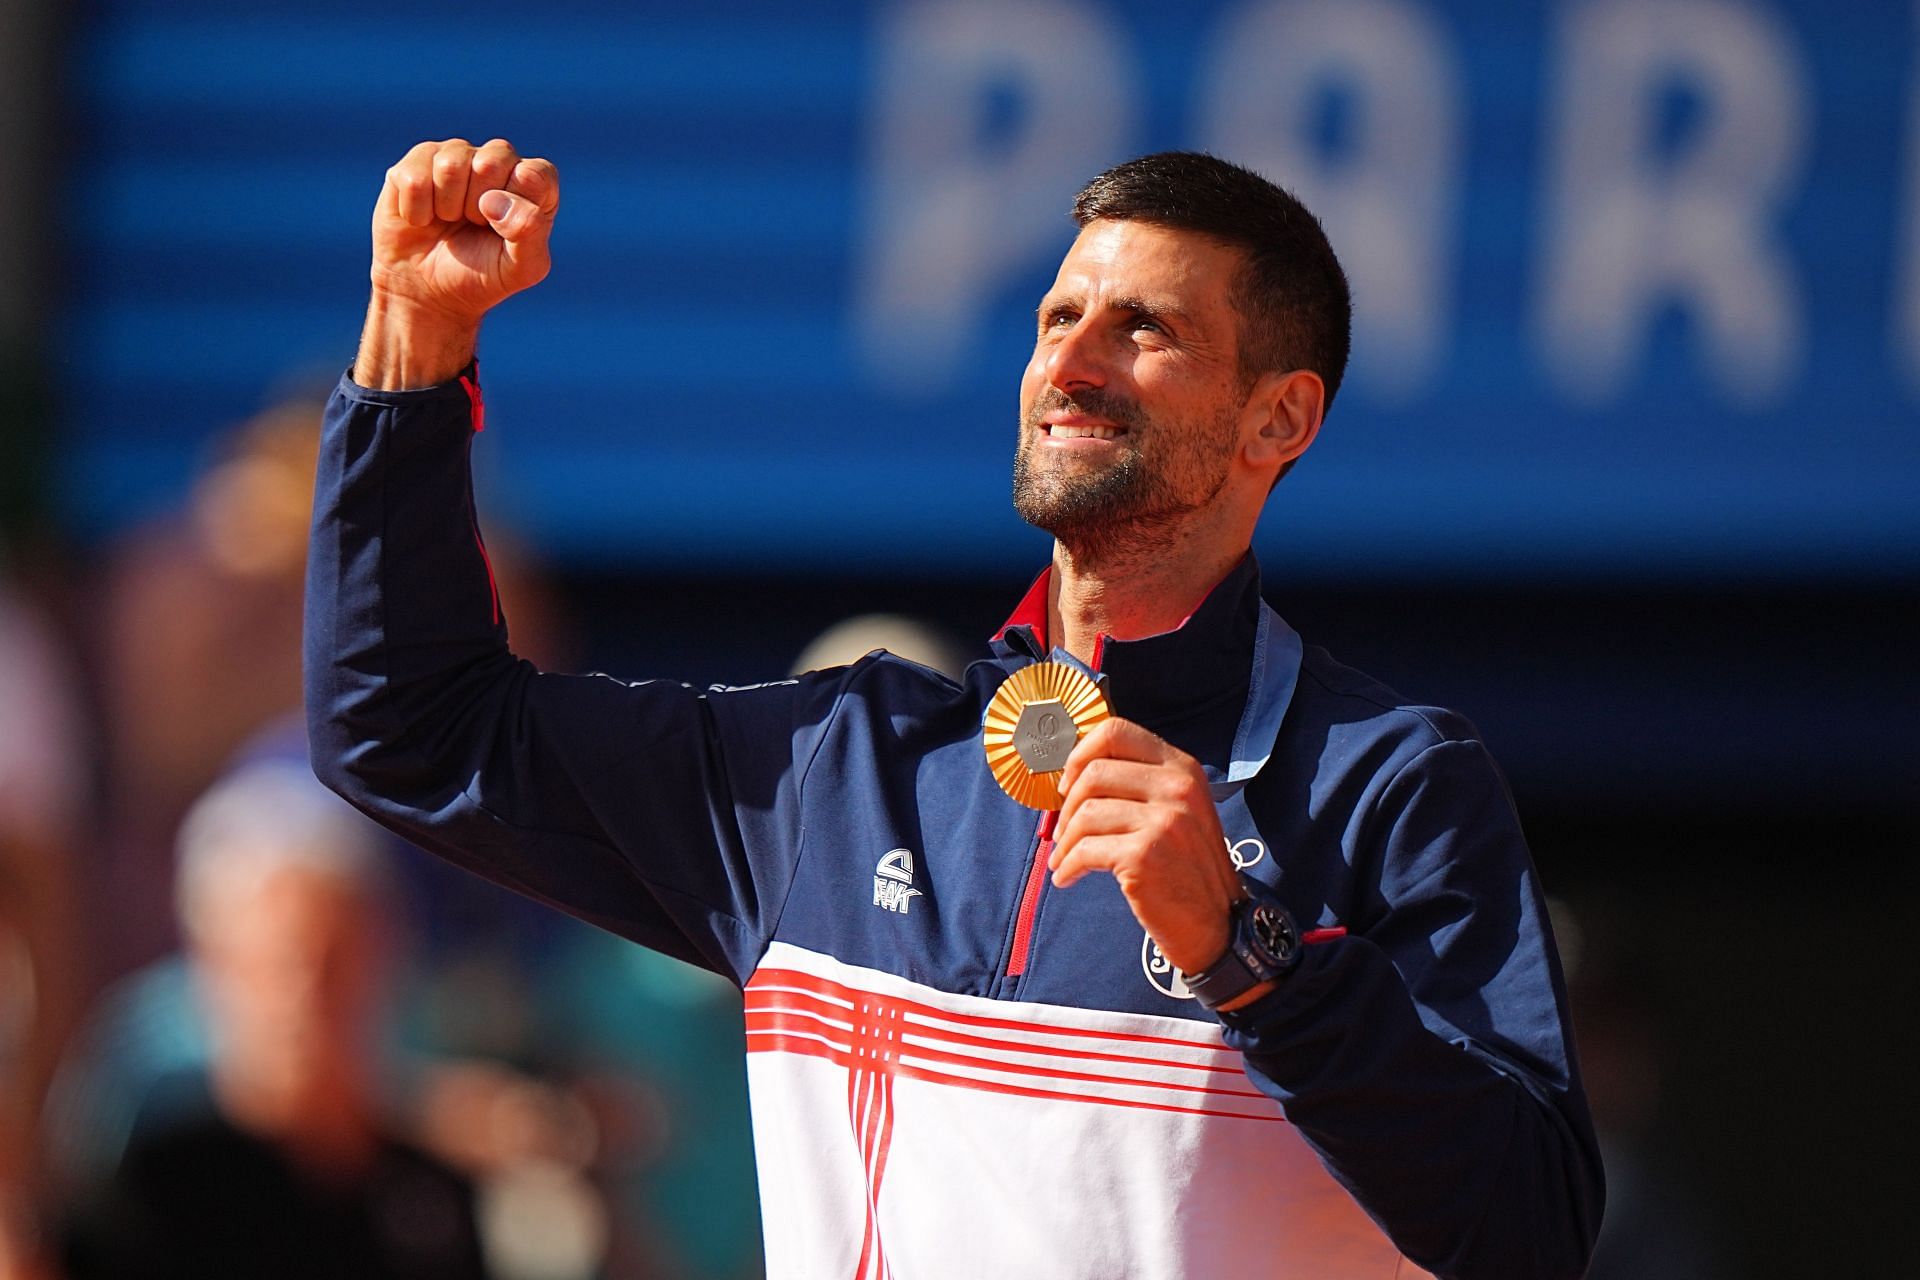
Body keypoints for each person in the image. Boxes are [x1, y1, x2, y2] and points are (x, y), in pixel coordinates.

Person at [307, 139, 1603, 1279]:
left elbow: (1530, 1230)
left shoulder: (1386, 789)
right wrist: (414, 350)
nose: (1073, 363)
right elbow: (409, 731)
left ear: (1280, 417)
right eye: (1056, 318)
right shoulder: (843, 767)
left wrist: (1250, 957)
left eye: (1144, 330)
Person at [58, 759, 491, 1280]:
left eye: (331, 963)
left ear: (382, 953)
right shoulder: (149, 1193)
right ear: (211, 966)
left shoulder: (433, 1197)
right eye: (274, 968)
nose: (301, 999)